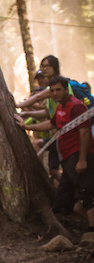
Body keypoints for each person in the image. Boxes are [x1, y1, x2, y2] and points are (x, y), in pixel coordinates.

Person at [17, 76, 94, 230]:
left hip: (78, 155)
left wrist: (82, 159)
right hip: (66, 159)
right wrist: (26, 126)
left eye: (59, 90)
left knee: (86, 194)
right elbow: (51, 124)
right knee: (63, 200)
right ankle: (83, 227)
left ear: (66, 89)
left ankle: (91, 230)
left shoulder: (76, 106)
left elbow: (85, 133)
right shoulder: (60, 107)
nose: (55, 93)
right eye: (52, 91)